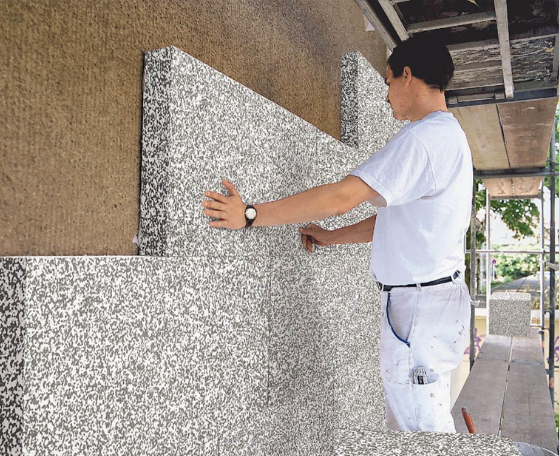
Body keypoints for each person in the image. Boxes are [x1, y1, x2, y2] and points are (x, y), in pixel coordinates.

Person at [202, 37, 472, 433]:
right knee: (419, 425)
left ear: (407, 76)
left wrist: (249, 215)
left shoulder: (424, 139)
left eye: (388, 83)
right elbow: (401, 221)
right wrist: (332, 237)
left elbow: (342, 197)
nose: (386, 96)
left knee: (420, 436)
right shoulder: (448, 137)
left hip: (420, 309)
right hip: (429, 304)